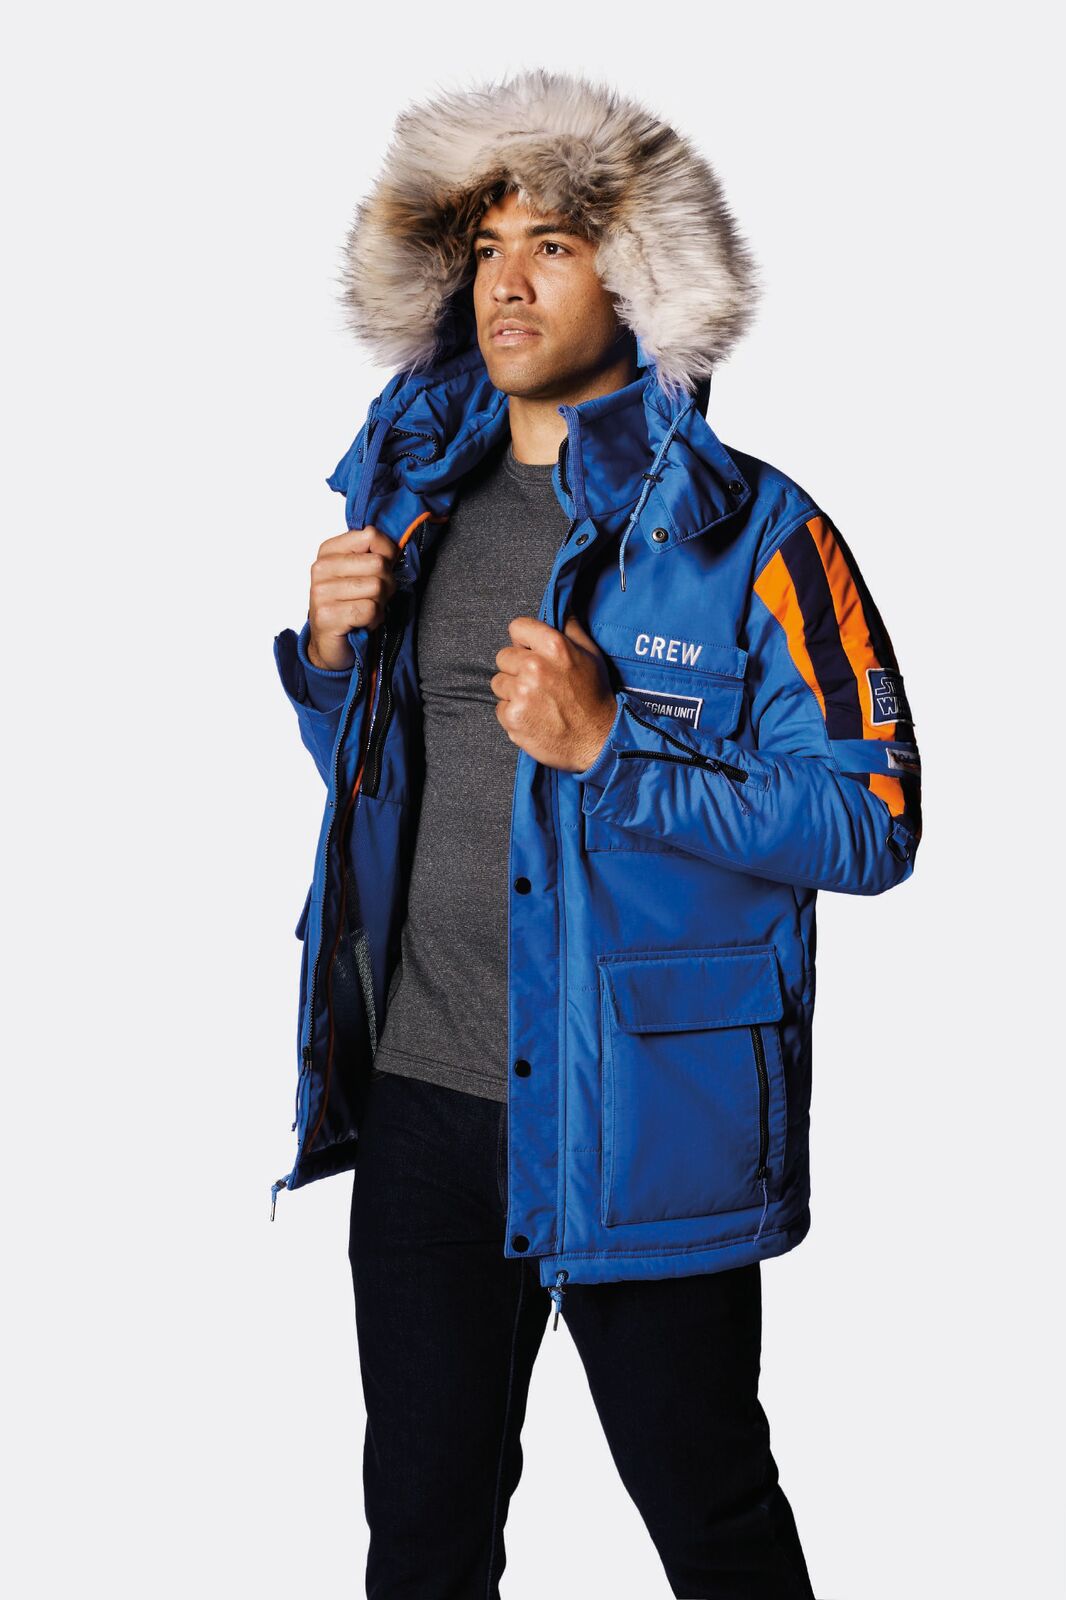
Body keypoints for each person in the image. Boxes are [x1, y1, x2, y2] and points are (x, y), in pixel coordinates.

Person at [271, 69, 922, 1600]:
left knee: (712, 1523)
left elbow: (873, 818)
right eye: (485, 248)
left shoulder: (751, 534)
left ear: (636, 276)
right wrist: (328, 667)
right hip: (426, 1111)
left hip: (640, 1123)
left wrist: (612, 748)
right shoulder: (412, 505)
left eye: (551, 245)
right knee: (420, 1541)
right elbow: (397, 784)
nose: (505, 282)